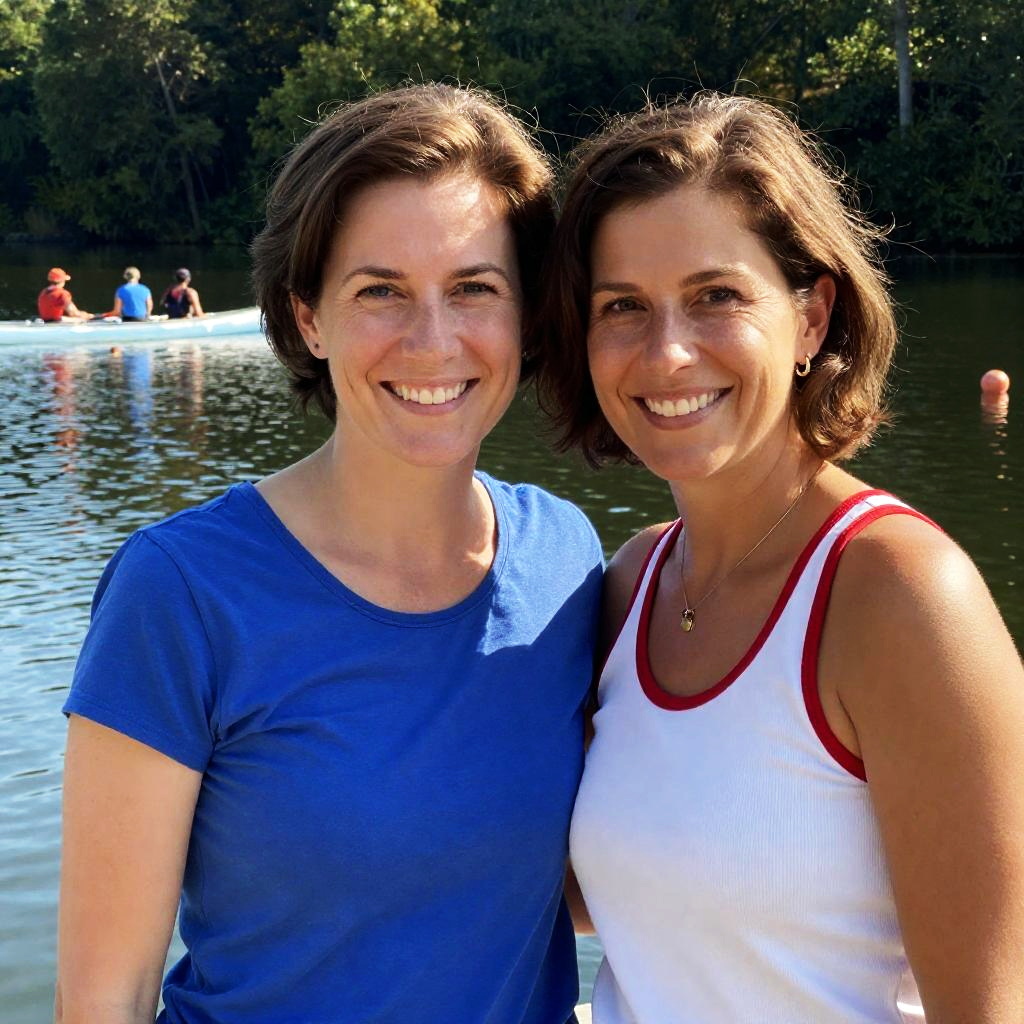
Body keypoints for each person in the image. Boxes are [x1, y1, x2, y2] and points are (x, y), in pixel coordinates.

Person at [56, 84, 603, 1024]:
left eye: (475, 288)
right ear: (308, 316)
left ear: (527, 314)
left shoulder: (567, 558)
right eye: (380, 290)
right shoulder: (181, 592)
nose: (433, 340)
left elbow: (572, 880)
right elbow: (106, 997)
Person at [537, 93, 1024, 1022]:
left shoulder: (901, 596)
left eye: (715, 297)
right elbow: (635, 888)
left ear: (811, 317)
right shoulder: (631, 585)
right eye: (623, 306)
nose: (667, 354)